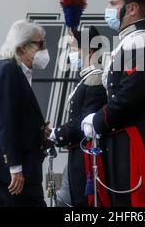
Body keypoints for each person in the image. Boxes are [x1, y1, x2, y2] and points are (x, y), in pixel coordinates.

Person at [81, 0, 145, 207]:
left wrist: (98, 120)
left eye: (113, 4)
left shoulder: (144, 42)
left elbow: (129, 97)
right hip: (122, 143)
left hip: (136, 145)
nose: (108, 10)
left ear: (131, 8)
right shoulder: (128, 42)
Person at [0, 19, 51, 207]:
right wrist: (15, 167)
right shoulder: (8, 70)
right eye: (40, 44)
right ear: (22, 47)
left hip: (12, 167)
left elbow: (17, 117)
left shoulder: (8, 69)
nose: (44, 50)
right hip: (16, 167)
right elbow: (6, 123)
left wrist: (40, 130)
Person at [49, 26, 107, 207]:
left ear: (88, 51)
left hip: (86, 157)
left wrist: (55, 133)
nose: (71, 54)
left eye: (74, 49)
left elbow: (84, 122)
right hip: (77, 155)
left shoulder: (95, 79)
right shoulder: (86, 78)